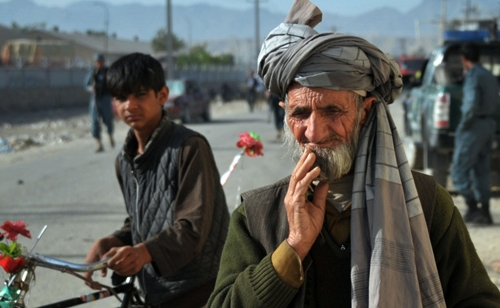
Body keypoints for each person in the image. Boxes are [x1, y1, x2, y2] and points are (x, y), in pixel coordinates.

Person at [207, 1, 500, 307]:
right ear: (284, 113)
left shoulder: (425, 203)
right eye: (300, 113)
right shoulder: (257, 215)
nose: (314, 132)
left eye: (332, 110)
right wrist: (293, 247)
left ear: (365, 111)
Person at [83, 53, 230, 308]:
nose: (130, 105)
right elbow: (144, 219)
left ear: (162, 95)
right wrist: (113, 241)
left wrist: (143, 253)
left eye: (140, 94)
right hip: (157, 289)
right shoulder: (125, 160)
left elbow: (192, 227)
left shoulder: (188, 147)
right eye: (121, 97)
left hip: (197, 289)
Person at [451, 42, 499, 225]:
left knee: (458, 171)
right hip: (488, 125)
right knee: (481, 171)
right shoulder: (488, 75)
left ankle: (472, 209)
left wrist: (463, 126)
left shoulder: (473, 76)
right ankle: (485, 212)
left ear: (464, 59)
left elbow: (471, 104)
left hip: (473, 126)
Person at [84, 53, 115, 153]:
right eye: (97, 62)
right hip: (95, 100)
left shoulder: (108, 72)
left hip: (106, 99)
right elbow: (86, 85)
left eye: (101, 61)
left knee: (108, 120)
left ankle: (110, 136)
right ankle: (99, 144)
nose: (99, 63)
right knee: (95, 122)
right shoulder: (92, 72)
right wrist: (90, 88)